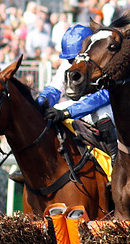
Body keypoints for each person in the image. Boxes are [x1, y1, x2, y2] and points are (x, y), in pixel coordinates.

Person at [36, 24, 117, 159]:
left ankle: (117, 160)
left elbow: (103, 96)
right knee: (48, 113)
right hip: (81, 109)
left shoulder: (103, 64)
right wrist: (42, 101)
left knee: (101, 114)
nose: (74, 63)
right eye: (71, 59)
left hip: (110, 109)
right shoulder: (67, 65)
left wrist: (69, 112)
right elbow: (54, 89)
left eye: (76, 58)